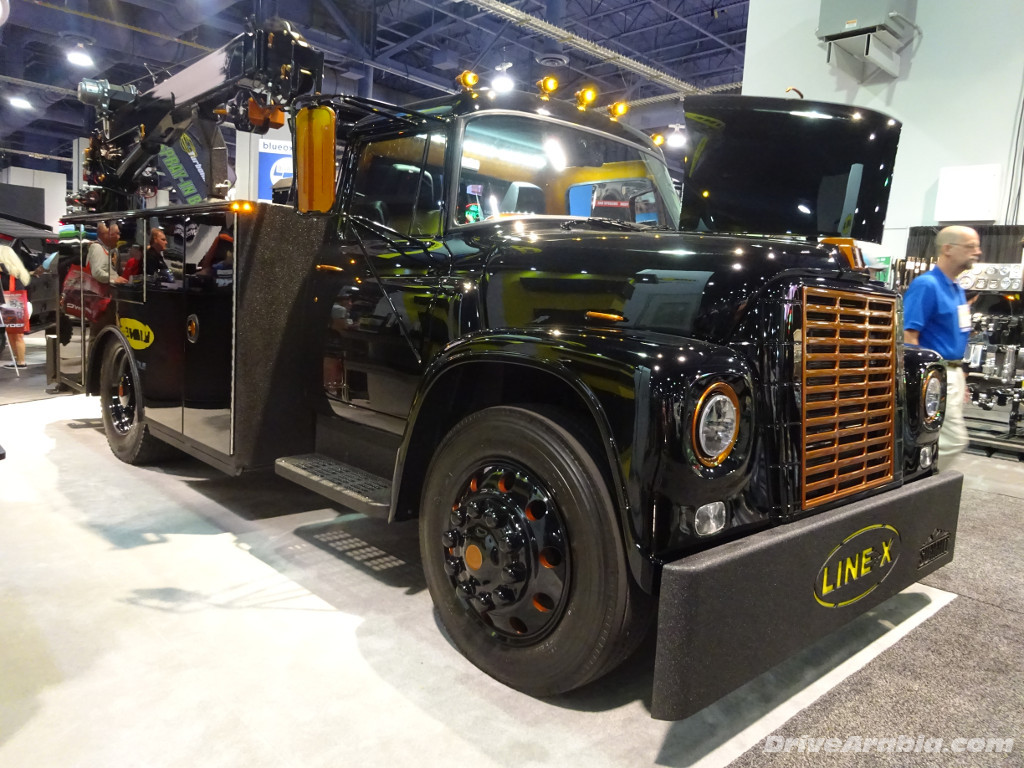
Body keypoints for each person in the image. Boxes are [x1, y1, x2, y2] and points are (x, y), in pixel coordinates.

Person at [902, 225, 982, 469]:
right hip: (935, 375)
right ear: (948, 249)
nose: (977, 252)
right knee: (951, 440)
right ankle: (922, 480)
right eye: (971, 246)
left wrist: (960, 375)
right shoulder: (927, 285)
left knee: (939, 439)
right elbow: (908, 335)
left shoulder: (956, 288)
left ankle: (924, 479)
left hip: (951, 373)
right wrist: (917, 384)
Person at [0, 241, 33, 368]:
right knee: (14, 334)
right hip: (19, 303)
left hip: (10, 305)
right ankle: (19, 360)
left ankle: (20, 361)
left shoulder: (5, 272)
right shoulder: (19, 272)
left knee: (15, 335)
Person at [87, 220, 127, 286]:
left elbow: (117, 270)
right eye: (116, 234)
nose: (118, 237)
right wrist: (114, 280)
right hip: (99, 289)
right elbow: (97, 272)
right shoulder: (97, 248)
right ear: (106, 235)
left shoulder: (113, 250)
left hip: (110, 288)